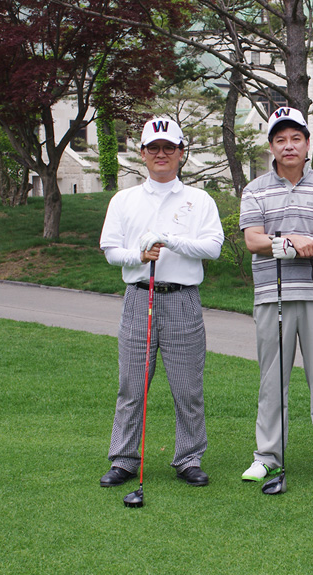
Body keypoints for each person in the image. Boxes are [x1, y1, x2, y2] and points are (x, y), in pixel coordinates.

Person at [98, 117, 224, 488]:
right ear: (142, 153)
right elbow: (110, 250)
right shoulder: (124, 200)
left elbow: (212, 247)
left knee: (188, 388)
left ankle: (189, 458)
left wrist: (169, 240)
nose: (161, 154)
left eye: (169, 147)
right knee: (131, 386)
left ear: (181, 153)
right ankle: (124, 459)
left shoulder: (199, 200)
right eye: (153, 147)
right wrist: (139, 255)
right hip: (140, 298)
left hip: (183, 299)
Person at [238, 107, 313, 484]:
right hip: (273, 294)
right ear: (271, 146)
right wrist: (291, 241)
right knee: (272, 380)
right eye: (281, 139)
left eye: (296, 138)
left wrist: (300, 243)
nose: (289, 146)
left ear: (307, 143)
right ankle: (267, 455)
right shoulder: (255, 189)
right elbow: (253, 240)